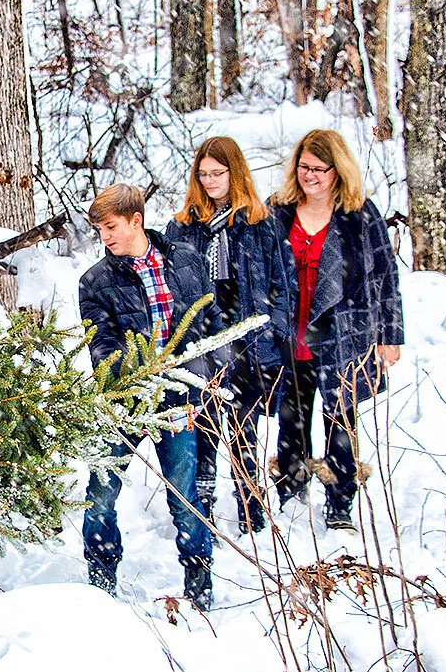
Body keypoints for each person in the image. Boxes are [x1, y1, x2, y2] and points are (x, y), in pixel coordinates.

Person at [77, 183, 222, 609]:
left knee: (184, 495)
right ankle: (101, 580)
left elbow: (210, 319)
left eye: (111, 227)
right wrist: (136, 370)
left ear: (136, 220)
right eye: (100, 230)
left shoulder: (186, 261)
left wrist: (209, 370)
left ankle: (199, 584)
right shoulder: (95, 282)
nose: (105, 237)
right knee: (100, 492)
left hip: (178, 399)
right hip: (122, 401)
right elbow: (100, 345)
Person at [269, 130, 404, 531]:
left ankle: (340, 499)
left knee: (340, 416)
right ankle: (290, 490)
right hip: (289, 331)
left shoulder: (360, 214)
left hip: (343, 331)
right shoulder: (277, 210)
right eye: (303, 167)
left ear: (337, 169)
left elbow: (385, 276)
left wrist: (390, 334)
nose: (309, 176)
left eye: (318, 169)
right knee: (291, 416)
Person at [165, 136, 294, 535]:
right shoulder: (183, 226)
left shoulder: (261, 222)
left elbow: (283, 284)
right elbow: (171, 285)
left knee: (245, 430)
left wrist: (275, 332)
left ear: (234, 173)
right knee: (202, 429)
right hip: (200, 339)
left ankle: (251, 510)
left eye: (218, 173)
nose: (209, 181)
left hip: (248, 339)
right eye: (202, 174)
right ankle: (201, 509)